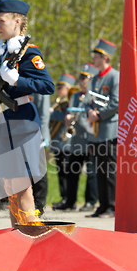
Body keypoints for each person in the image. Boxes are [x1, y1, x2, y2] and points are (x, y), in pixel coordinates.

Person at [0, 0, 55, 226]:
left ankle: (32, 237)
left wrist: (18, 80)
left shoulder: (29, 53)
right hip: (5, 122)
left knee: (22, 186)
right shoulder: (2, 55)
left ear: (17, 21)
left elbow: (47, 86)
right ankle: (17, 235)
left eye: (1, 21)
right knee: (10, 187)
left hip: (23, 122)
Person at [54, 63, 99, 212]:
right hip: (76, 140)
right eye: (80, 78)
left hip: (90, 138)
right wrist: (67, 117)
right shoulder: (74, 96)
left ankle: (90, 201)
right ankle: (70, 201)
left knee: (92, 173)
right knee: (71, 172)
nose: (81, 81)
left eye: (84, 78)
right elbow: (69, 111)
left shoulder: (94, 96)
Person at [85, 39, 119, 218]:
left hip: (109, 131)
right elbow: (87, 100)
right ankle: (102, 204)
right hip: (96, 133)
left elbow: (116, 102)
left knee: (109, 171)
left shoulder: (115, 76)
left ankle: (112, 206)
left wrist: (99, 114)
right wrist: (89, 110)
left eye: (96, 56)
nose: (94, 59)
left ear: (105, 58)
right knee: (99, 170)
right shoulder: (95, 78)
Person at [50, 73, 76, 210]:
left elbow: (65, 117)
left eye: (62, 87)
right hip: (57, 141)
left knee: (66, 172)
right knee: (60, 172)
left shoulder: (69, 102)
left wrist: (51, 112)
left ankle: (67, 198)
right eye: (58, 87)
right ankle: (63, 197)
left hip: (66, 142)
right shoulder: (59, 101)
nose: (59, 89)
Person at [31, 92, 51, 215]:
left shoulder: (39, 88)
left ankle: (39, 205)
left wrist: (41, 136)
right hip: (22, 134)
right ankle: (29, 205)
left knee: (39, 172)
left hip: (37, 135)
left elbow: (44, 115)